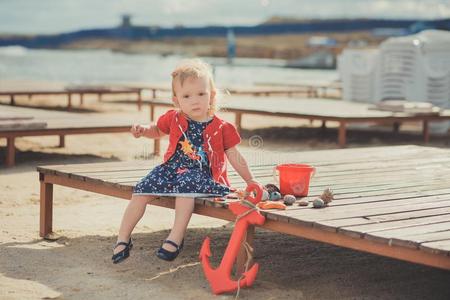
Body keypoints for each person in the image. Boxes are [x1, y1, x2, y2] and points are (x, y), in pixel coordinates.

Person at [112, 58, 259, 264]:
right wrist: (144, 131)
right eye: (187, 96)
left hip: (202, 174)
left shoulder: (222, 127)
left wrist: (251, 181)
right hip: (171, 170)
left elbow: (235, 156)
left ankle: (176, 236)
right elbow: (157, 130)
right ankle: (123, 238)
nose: (195, 100)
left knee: (185, 187)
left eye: (201, 94)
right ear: (176, 100)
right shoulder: (173, 118)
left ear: (212, 95)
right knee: (142, 189)